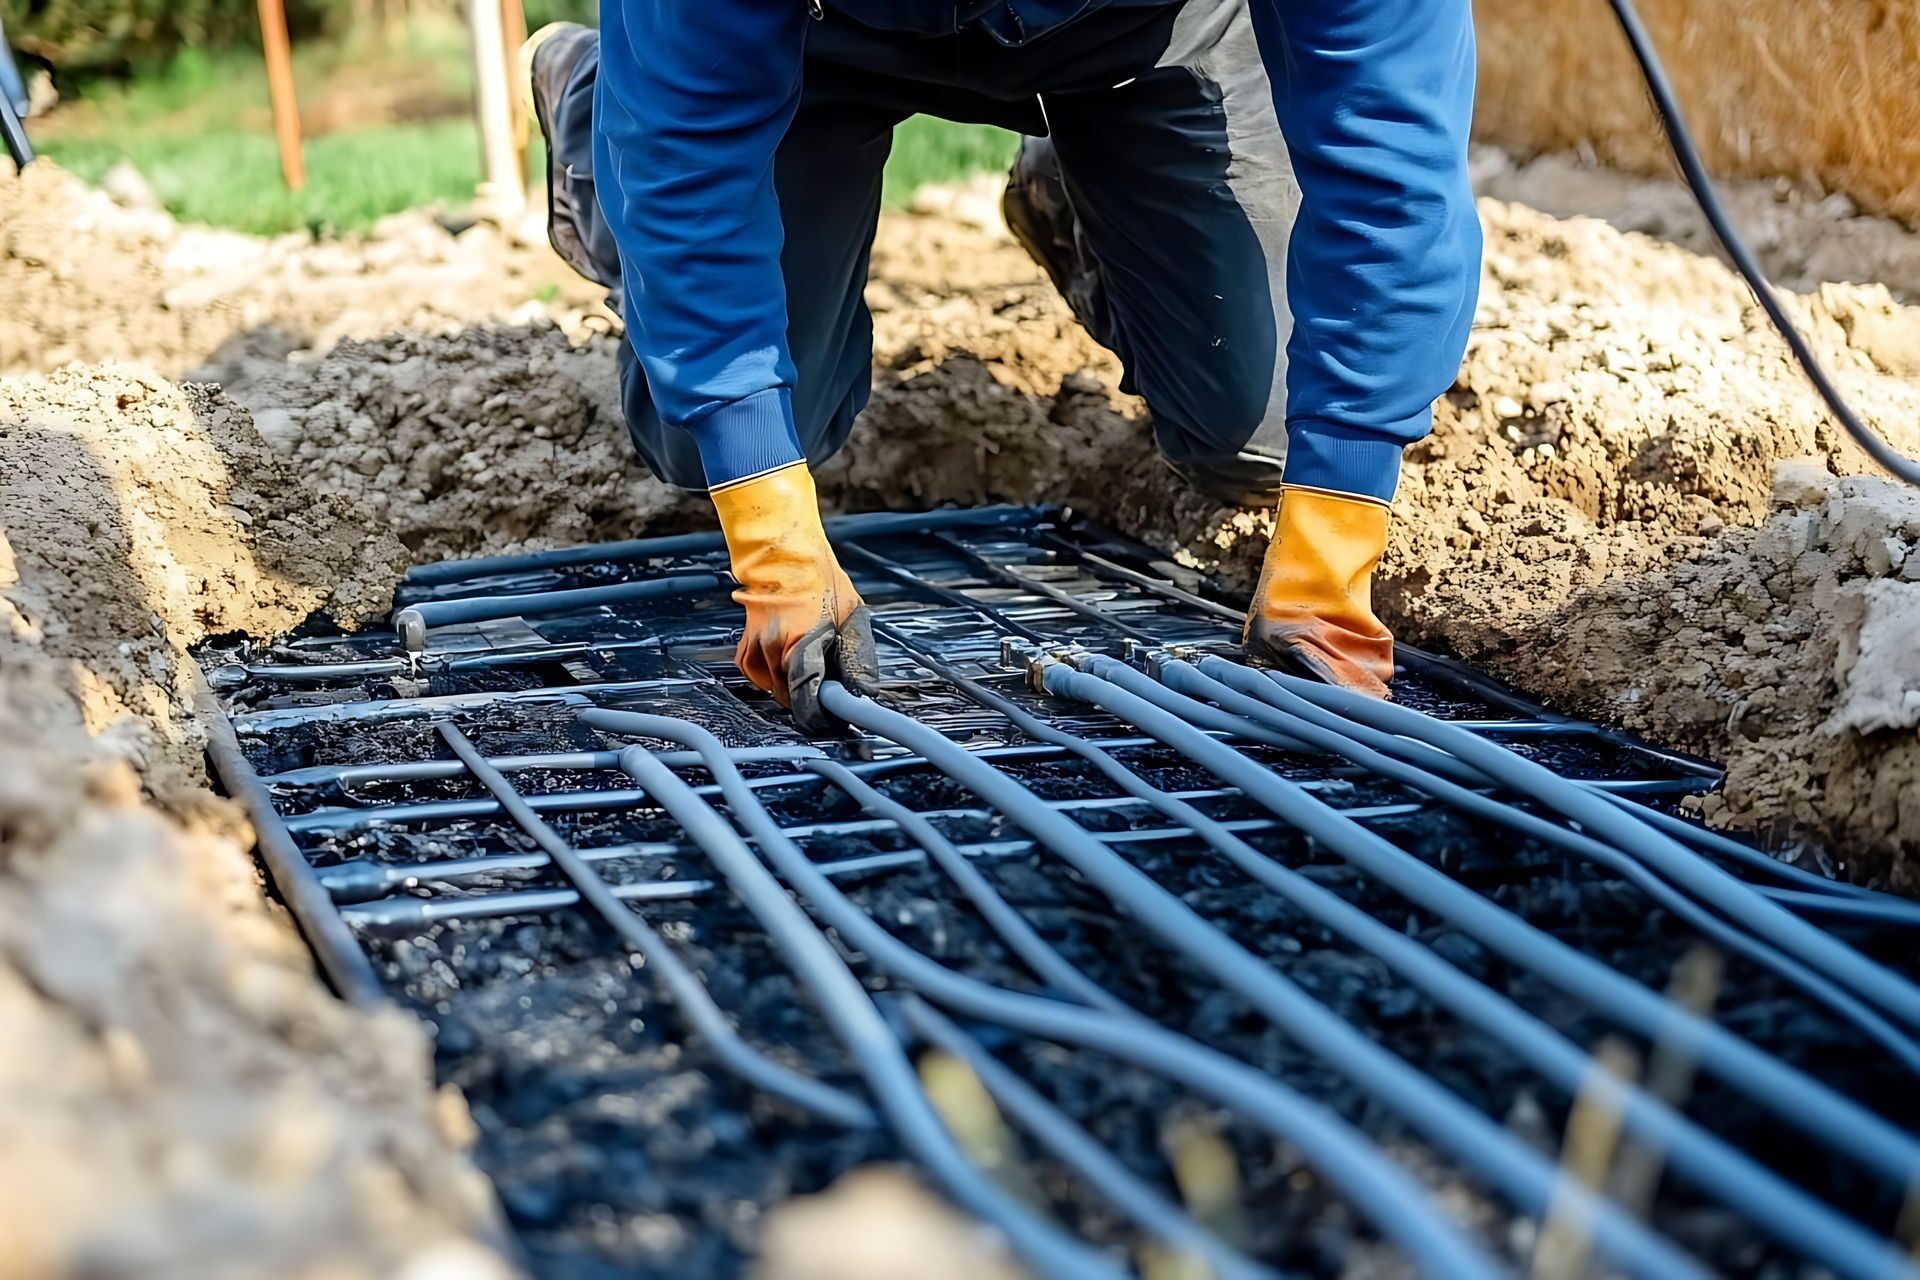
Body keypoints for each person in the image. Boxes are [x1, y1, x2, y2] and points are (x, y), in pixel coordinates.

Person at [521, 0, 1478, 725]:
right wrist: (771, 538)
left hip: (1146, 37)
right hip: (819, 39)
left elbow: (1392, 157)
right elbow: (689, 170)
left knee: (1264, 439)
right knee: (712, 446)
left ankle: (1095, 197)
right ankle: (599, 117)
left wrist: (1335, 544)